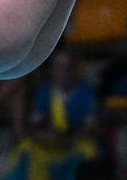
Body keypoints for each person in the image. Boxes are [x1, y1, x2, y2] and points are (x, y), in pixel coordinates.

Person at [6, 51, 99, 180]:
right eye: (58, 67)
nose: (62, 72)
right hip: (49, 142)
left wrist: (69, 136)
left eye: (66, 67)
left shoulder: (86, 92)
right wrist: (44, 135)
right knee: (25, 148)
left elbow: (91, 126)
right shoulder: (45, 91)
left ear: (74, 69)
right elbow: (35, 123)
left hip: (74, 141)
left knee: (89, 151)